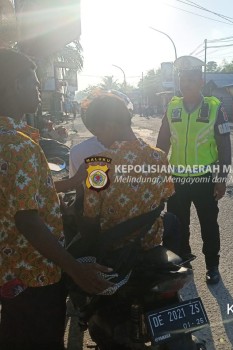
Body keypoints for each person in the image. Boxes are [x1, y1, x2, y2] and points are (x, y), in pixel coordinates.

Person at [0, 49, 112, 350]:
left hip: (11, 270)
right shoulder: (19, 146)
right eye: (33, 84)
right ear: (13, 85)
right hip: (35, 272)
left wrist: (71, 184)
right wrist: (74, 267)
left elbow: (22, 194)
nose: (39, 90)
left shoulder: (9, 139)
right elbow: (27, 219)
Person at [156, 56, 232, 285]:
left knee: (209, 224)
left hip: (205, 180)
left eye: (191, 79)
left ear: (201, 81)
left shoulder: (215, 108)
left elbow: (224, 146)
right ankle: (183, 261)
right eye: (182, 79)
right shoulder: (173, 106)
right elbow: (162, 143)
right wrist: (158, 173)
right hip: (177, 180)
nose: (186, 84)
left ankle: (212, 266)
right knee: (178, 224)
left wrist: (221, 179)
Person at [79, 92, 174, 252]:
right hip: (151, 245)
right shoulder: (159, 156)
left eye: (98, 133)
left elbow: (91, 216)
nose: (98, 140)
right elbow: (166, 195)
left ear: (109, 126)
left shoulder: (97, 164)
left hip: (114, 251)